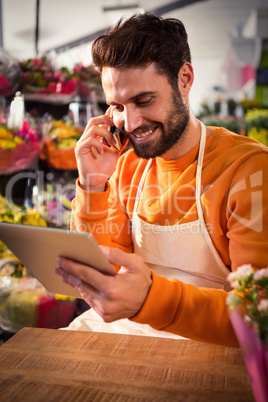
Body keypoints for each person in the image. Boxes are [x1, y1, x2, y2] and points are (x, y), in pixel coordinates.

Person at [55, 13, 268, 347]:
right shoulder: (127, 168)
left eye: (144, 101)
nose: (130, 122)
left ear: (184, 78)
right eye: (117, 106)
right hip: (133, 337)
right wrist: (94, 184)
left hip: (214, 352)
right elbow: (102, 269)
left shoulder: (248, 169)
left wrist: (151, 299)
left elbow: (259, 315)